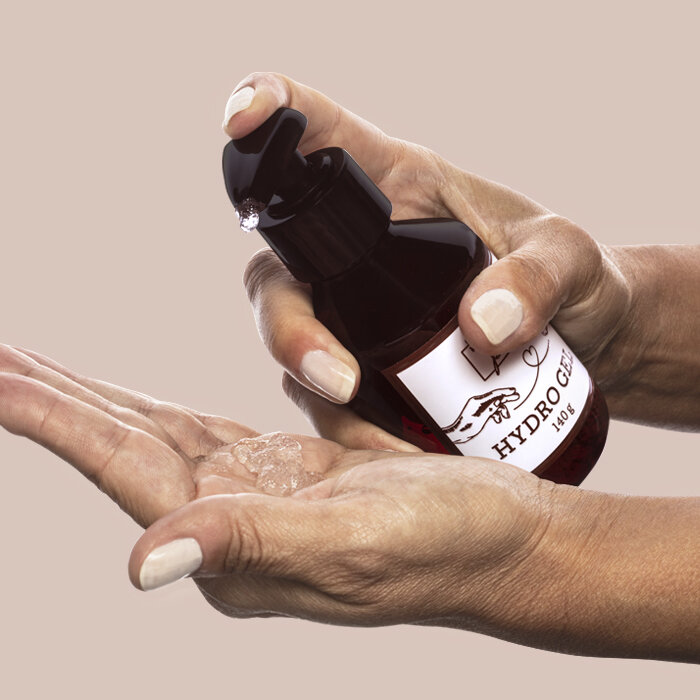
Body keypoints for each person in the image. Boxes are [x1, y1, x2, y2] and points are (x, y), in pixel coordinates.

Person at [0, 72, 698, 663]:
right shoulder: (394, 281)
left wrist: (538, 554)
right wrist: (624, 333)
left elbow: (541, 550)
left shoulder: (446, 245)